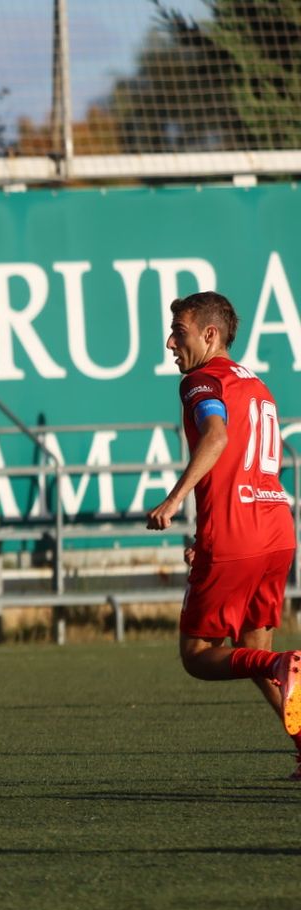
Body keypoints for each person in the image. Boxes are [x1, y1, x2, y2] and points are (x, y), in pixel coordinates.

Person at [145, 290, 301, 776]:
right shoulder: (256, 385)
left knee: (197, 655)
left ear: (210, 335)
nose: (171, 342)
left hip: (237, 533)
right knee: (257, 653)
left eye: (180, 332)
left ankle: (279, 669)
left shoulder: (199, 380)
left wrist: (173, 500)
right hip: (276, 529)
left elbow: (217, 438)